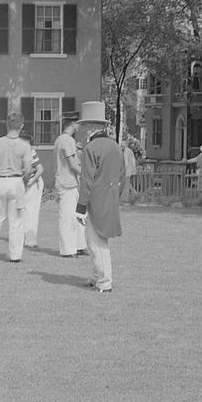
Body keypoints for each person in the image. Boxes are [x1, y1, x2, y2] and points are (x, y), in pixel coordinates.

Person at [75, 101, 126, 293]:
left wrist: (81, 206)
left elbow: (87, 179)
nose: (83, 129)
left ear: (90, 127)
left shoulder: (91, 148)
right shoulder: (115, 146)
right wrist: (114, 195)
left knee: (97, 241)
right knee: (93, 239)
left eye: (85, 126)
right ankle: (97, 275)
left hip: (96, 198)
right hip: (110, 196)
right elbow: (122, 176)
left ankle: (105, 281)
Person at [0, 111, 34, 263]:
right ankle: (15, 255)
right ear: (21, 126)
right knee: (16, 220)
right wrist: (24, 180)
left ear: (6, 124)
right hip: (16, 181)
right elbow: (29, 169)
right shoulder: (25, 145)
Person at [53, 113, 88, 258]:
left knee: (78, 216)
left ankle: (80, 245)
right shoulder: (66, 140)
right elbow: (73, 164)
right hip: (67, 183)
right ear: (73, 123)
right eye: (78, 123)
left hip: (71, 183)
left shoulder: (63, 140)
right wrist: (87, 176)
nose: (79, 126)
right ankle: (68, 250)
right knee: (67, 218)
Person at [19, 131, 44, 248]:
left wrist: (31, 182)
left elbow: (40, 169)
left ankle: (31, 240)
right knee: (22, 211)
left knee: (31, 212)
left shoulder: (31, 152)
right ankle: (23, 237)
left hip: (34, 183)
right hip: (24, 182)